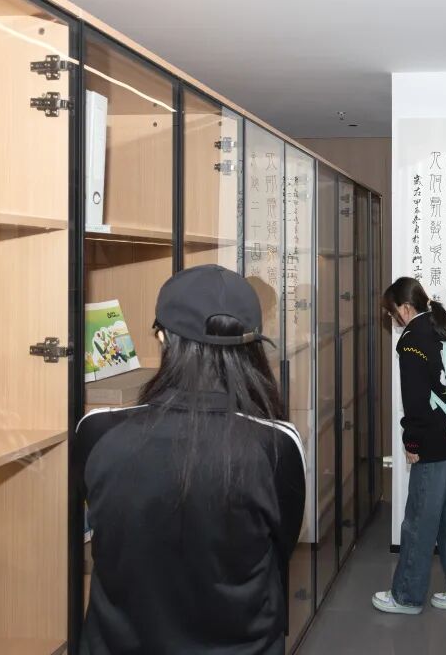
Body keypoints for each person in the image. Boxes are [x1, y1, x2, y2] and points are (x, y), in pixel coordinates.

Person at [76, 264, 306, 655]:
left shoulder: (96, 431)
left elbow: (104, 526)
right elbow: (279, 548)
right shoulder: (276, 444)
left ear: (164, 337)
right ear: (252, 348)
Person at [372, 277, 446, 615]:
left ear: (405, 308)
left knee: (419, 520)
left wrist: (412, 440)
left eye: (392, 312)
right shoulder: (440, 327)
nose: (393, 318)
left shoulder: (411, 341)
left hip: (432, 444)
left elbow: (416, 400)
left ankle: (406, 596)